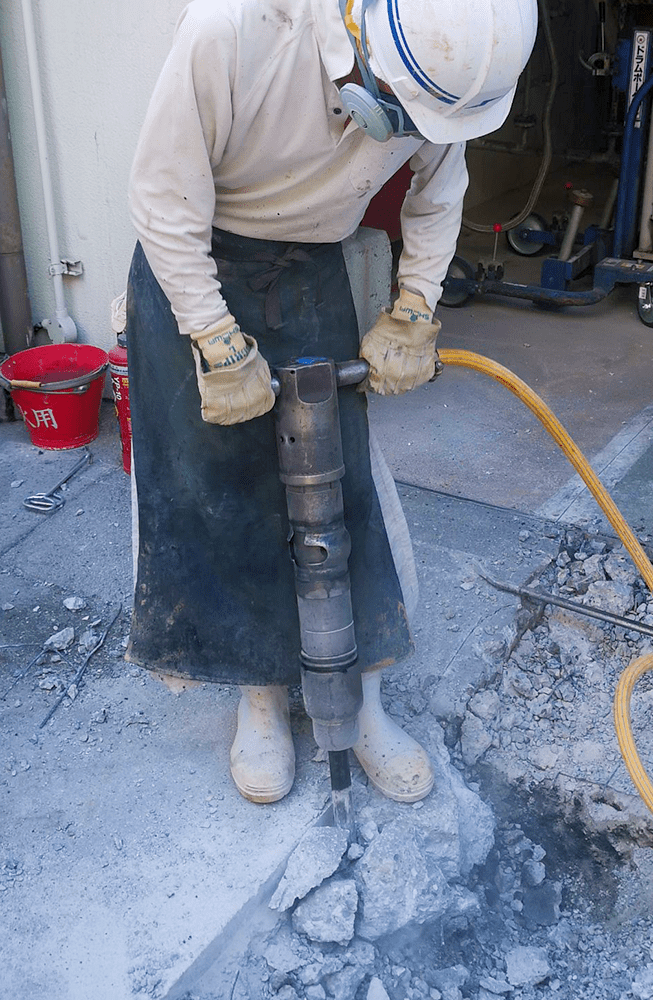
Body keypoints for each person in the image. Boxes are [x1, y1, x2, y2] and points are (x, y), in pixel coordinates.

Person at [125, 0, 537, 804]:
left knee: (341, 488)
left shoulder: (448, 69)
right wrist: (213, 337)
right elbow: (162, 197)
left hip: (311, 261)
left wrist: (416, 308)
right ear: (358, 33)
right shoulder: (234, 30)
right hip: (198, 260)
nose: (401, 130)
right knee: (230, 494)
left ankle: (363, 705)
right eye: (396, 104)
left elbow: (437, 191)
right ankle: (262, 703)